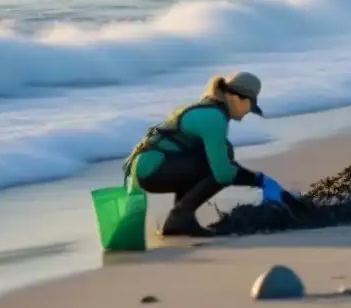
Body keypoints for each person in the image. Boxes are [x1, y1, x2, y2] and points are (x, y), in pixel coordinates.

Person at [123, 71, 292, 237]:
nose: (249, 112)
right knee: (218, 165)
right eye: (250, 105)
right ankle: (180, 217)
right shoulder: (214, 118)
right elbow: (223, 173)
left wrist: (257, 179)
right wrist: (258, 180)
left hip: (152, 167)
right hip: (153, 169)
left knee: (220, 155)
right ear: (235, 97)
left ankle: (177, 221)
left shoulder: (208, 109)